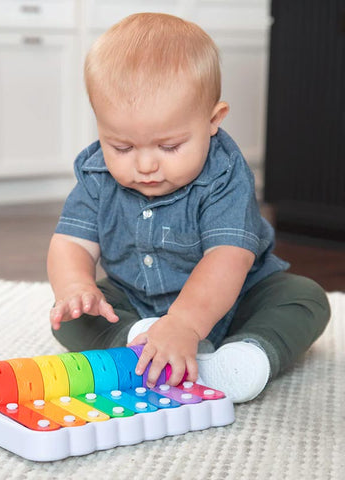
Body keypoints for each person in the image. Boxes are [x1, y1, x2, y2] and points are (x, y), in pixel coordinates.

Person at [47, 13, 330, 403]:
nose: (145, 165)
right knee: (70, 317)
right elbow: (72, 243)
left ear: (213, 120)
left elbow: (227, 258)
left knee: (306, 298)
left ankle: (247, 355)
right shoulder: (97, 173)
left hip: (239, 297)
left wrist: (184, 322)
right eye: (122, 147)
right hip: (137, 297)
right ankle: (139, 341)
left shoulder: (224, 174)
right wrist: (75, 287)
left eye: (169, 147)